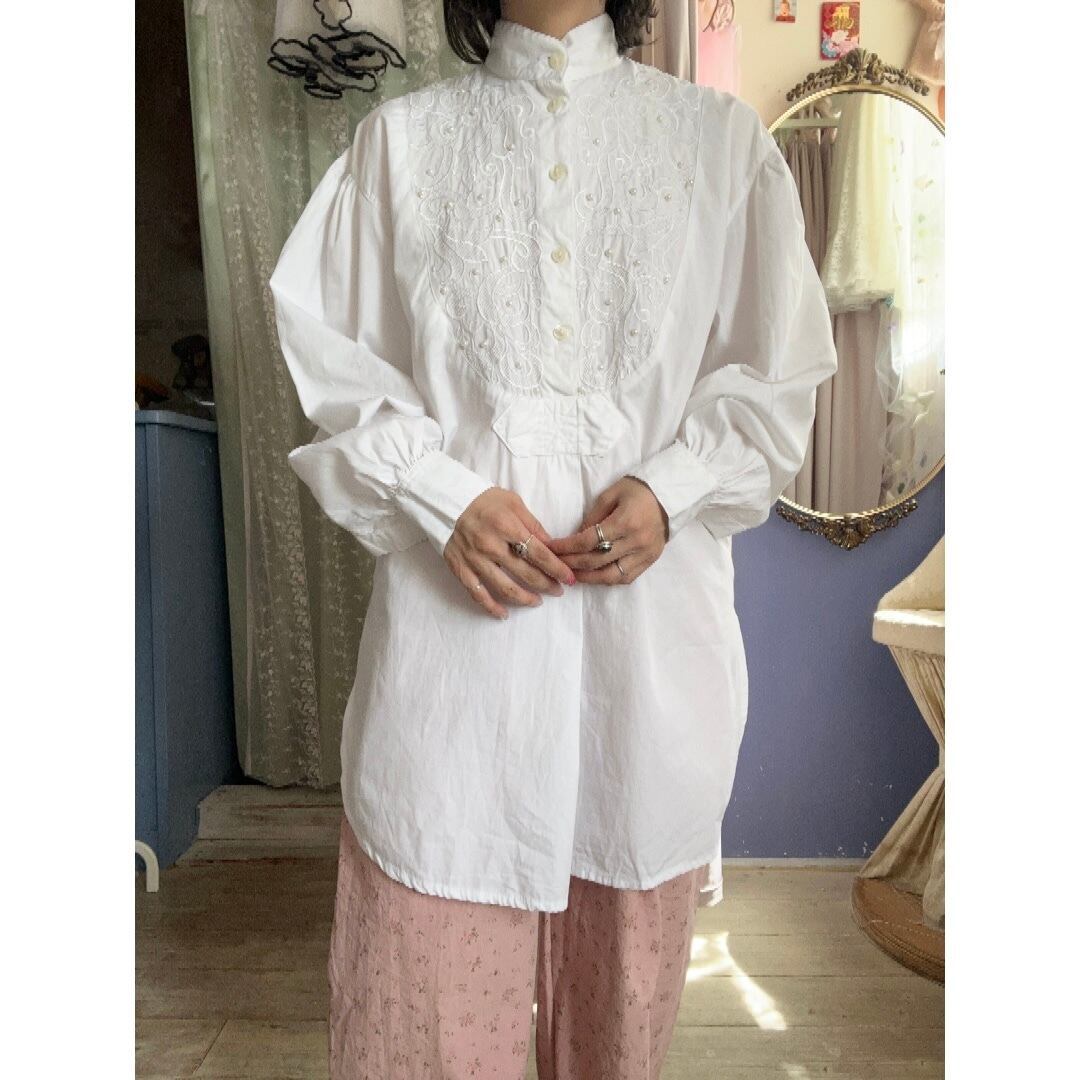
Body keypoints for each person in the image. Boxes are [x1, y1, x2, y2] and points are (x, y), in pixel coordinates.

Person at [268, 1, 838, 1076]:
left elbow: (776, 381)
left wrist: (672, 488)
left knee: (615, 1041)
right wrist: (439, 493)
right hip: (453, 687)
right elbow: (334, 363)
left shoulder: (720, 143)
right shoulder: (399, 145)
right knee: (421, 1032)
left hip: (646, 683)